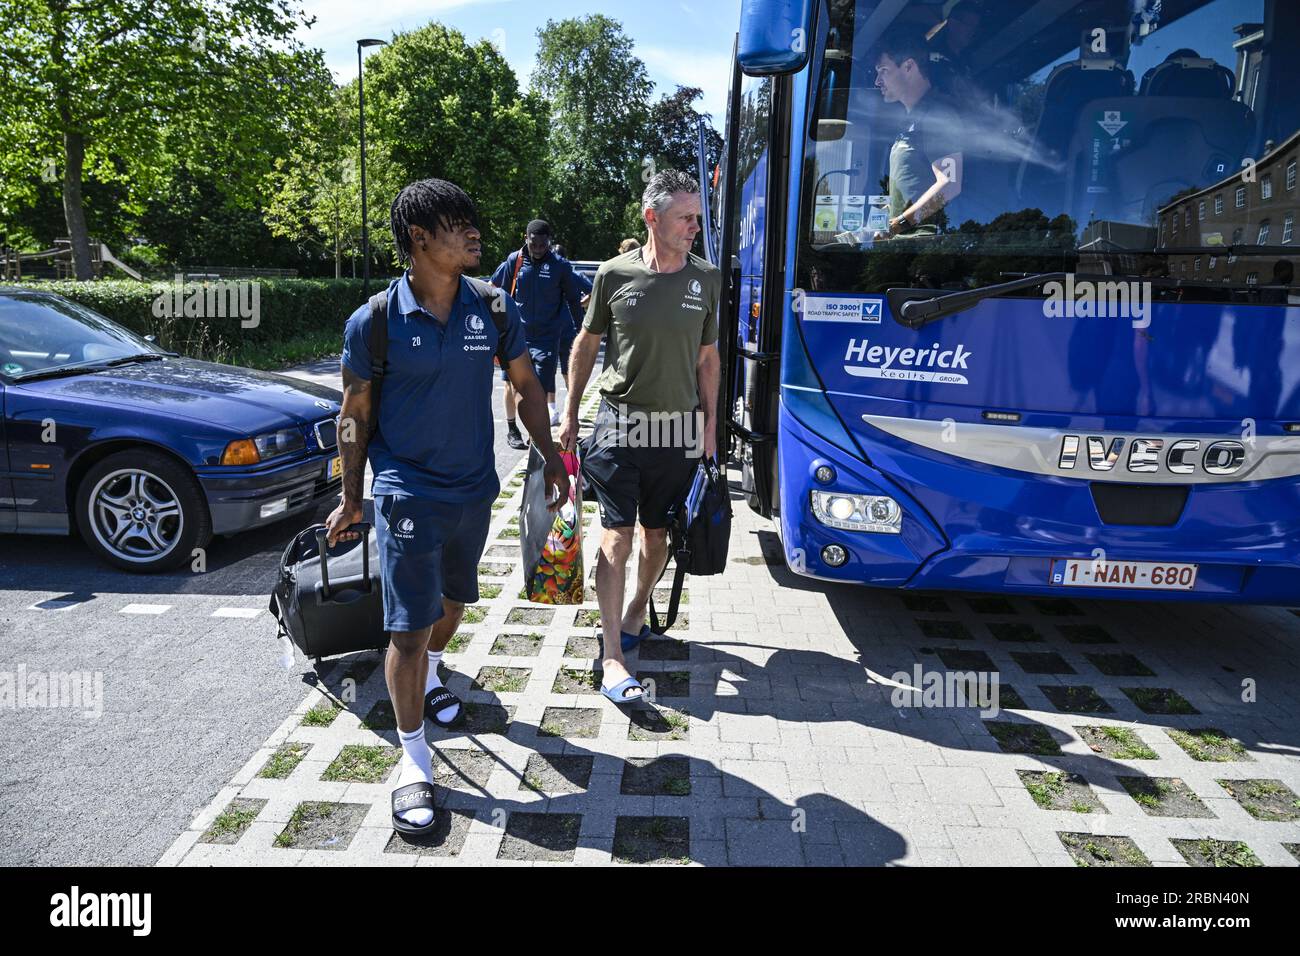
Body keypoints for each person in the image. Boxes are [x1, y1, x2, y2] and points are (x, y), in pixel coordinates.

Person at [327, 179, 568, 835]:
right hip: (405, 490)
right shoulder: (373, 321)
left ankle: (434, 674)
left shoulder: (491, 307)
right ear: (419, 238)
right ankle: (414, 765)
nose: (473, 232)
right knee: (407, 626)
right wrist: (352, 497)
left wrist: (551, 458)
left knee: (453, 602)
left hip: (474, 488)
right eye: (456, 222)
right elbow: (354, 413)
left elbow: (526, 386)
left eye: (473, 220)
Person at [558, 170, 720, 704]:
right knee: (616, 537)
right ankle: (611, 656)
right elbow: (587, 342)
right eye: (686, 218)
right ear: (653, 219)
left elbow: (707, 358)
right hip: (619, 423)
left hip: (677, 430)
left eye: (698, 217)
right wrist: (570, 411)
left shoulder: (707, 279)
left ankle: (635, 609)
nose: (696, 226)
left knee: (657, 537)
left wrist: (711, 424)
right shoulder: (612, 274)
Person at [839, 30, 965, 243]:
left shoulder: (938, 116)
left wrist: (899, 225)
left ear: (909, 67)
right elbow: (906, 198)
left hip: (927, 246)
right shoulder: (909, 122)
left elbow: (950, 184)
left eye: (883, 71)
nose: (877, 81)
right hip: (907, 247)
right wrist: (865, 232)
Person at [491, 220, 591, 447]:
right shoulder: (514, 262)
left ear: (549, 242)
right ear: (526, 239)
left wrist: (580, 331)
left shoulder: (559, 266)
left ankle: (536, 437)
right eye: (533, 244)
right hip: (517, 336)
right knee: (516, 386)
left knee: (538, 391)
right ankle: (522, 431)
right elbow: (498, 294)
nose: (537, 249)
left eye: (542, 245)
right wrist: (497, 329)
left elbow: (575, 301)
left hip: (547, 339)